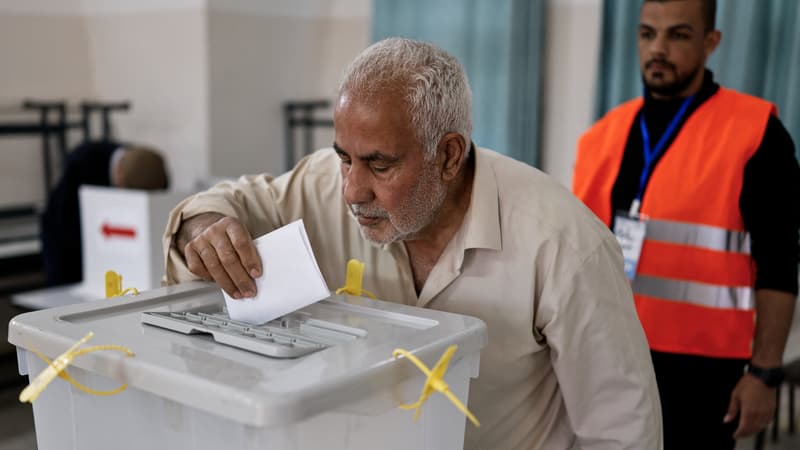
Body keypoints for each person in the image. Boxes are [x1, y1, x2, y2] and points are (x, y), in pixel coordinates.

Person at [163, 37, 662, 449]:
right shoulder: (324, 185)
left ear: (448, 156)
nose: (352, 190)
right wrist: (205, 226)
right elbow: (228, 202)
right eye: (344, 158)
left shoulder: (564, 246)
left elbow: (622, 430)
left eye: (380, 165)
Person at [573, 1, 800, 449]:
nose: (658, 48)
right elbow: (575, 255)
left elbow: (779, 263)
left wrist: (764, 372)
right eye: (647, 34)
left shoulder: (756, 133)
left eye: (677, 35)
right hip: (607, 353)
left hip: (703, 371)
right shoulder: (602, 136)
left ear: (711, 42)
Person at [41, 140, 169, 286]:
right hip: (67, 248)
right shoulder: (81, 165)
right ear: (119, 179)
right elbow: (62, 226)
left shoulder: (143, 164)